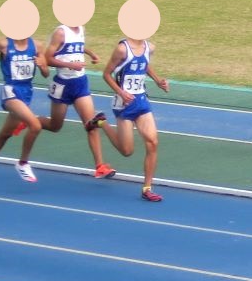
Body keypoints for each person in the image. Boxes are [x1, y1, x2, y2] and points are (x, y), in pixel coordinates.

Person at [95, 32, 170, 202]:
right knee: (126, 151)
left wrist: (158, 80)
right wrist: (121, 92)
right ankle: (101, 122)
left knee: (153, 141)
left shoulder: (149, 47)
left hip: (141, 100)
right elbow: (106, 74)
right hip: (124, 104)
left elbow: (143, 66)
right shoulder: (122, 50)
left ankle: (147, 188)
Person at [40, 18, 114, 178]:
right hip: (63, 85)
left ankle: (100, 166)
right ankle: (31, 121)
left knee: (91, 124)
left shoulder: (80, 28)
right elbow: (47, 58)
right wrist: (71, 65)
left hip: (80, 83)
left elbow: (77, 46)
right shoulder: (60, 32)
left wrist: (90, 53)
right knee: (55, 126)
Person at [0, 30, 47, 182]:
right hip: (10, 91)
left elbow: (46, 73)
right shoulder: (4, 44)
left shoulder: (37, 46)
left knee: (5, 134)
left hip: (26, 92)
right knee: (35, 125)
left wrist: (42, 66)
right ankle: (23, 163)